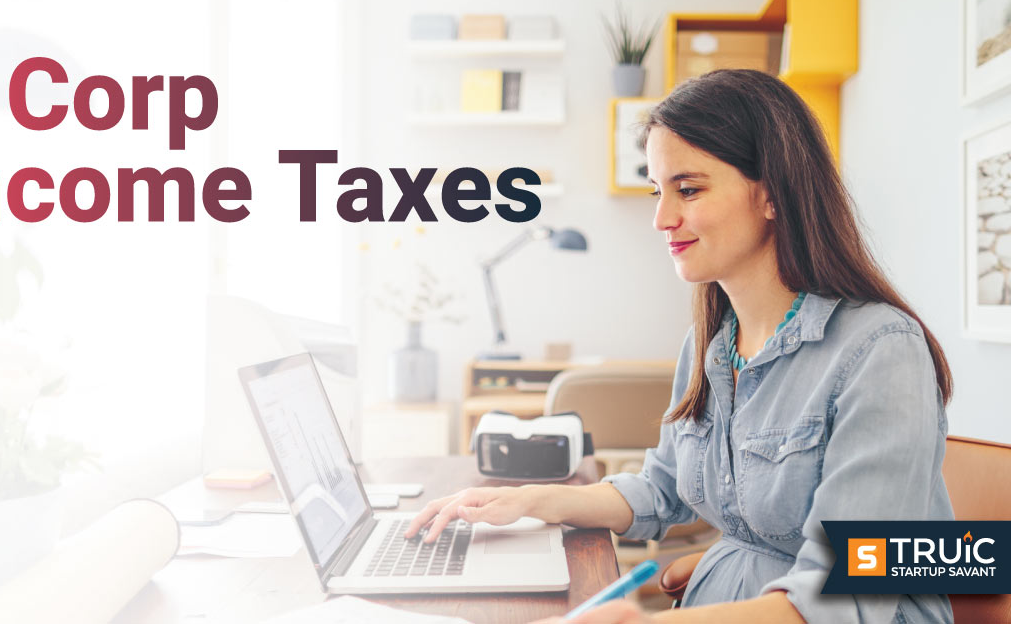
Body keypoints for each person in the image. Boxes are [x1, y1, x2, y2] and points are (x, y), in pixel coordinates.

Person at [403, 69, 955, 624]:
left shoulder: (881, 352)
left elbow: (850, 589)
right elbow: (662, 488)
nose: (662, 218)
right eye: (658, 191)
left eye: (688, 189)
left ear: (772, 195)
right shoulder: (713, 344)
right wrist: (529, 502)